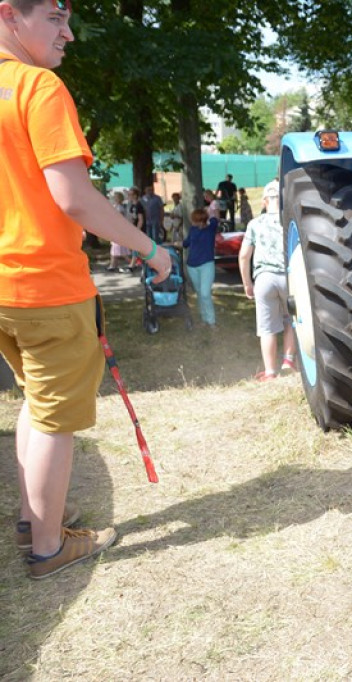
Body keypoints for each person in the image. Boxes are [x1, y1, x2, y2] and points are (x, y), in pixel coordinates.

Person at [0, 0, 172, 580]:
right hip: (45, 286)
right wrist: (151, 250)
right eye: (54, 17)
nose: (68, 32)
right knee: (55, 419)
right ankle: (49, 546)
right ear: (9, 16)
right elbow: (73, 197)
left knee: (35, 400)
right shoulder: (38, 88)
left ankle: (32, 516)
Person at [239, 183, 297, 381]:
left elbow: (244, 256)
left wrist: (247, 283)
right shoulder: (290, 222)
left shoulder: (254, 224)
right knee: (292, 320)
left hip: (264, 279)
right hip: (288, 277)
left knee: (267, 328)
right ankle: (289, 360)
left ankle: (270, 371)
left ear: (265, 201)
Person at [182, 208, 217, 326]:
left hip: (207, 264)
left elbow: (214, 216)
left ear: (200, 221)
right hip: (192, 266)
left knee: (205, 293)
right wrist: (177, 243)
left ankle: (211, 320)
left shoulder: (211, 228)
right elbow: (186, 243)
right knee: (199, 292)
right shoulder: (193, 229)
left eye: (194, 220)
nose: (192, 222)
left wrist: (210, 211)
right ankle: (204, 318)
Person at [106, 191, 132, 272]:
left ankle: (133, 263)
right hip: (115, 229)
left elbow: (118, 219)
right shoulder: (116, 206)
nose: (114, 199)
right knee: (116, 248)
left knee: (118, 248)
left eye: (115, 197)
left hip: (118, 230)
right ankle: (113, 264)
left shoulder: (120, 208)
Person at [125, 187, 146, 268]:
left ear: (135, 195)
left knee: (135, 247)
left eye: (131, 194)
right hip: (133, 228)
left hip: (139, 229)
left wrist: (137, 230)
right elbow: (131, 218)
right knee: (135, 247)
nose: (129, 196)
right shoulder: (132, 205)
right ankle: (141, 262)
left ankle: (132, 264)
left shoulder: (139, 205)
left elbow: (141, 219)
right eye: (129, 194)